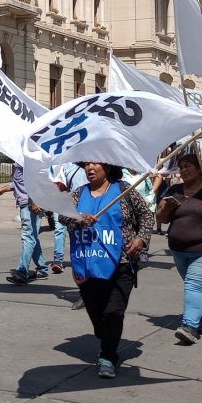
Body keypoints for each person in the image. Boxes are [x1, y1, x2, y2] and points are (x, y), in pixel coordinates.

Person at [60, 162, 153, 378]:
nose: (90, 168)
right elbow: (63, 216)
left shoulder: (124, 190)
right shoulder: (79, 194)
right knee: (97, 312)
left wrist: (141, 239)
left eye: (95, 164)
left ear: (108, 167)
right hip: (89, 263)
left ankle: (107, 356)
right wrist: (79, 218)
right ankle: (107, 337)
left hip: (121, 262)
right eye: (87, 164)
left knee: (113, 312)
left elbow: (147, 216)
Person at [156, 153, 202, 344]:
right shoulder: (174, 189)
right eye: (181, 167)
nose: (184, 170)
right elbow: (161, 219)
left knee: (193, 283)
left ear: (199, 168)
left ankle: (190, 327)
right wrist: (168, 208)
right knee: (196, 285)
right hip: (179, 251)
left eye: (188, 166)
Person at [0, 163, 49, 284]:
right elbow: (21, 183)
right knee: (32, 236)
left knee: (28, 237)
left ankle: (22, 272)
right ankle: (42, 269)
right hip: (27, 202)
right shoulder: (17, 160)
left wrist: (34, 201)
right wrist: (5, 188)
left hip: (30, 204)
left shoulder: (25, 159)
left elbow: (34, 179)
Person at [50, 162, 88, 275]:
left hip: (79, 203)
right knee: (62, 230)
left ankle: (78, 258)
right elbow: (58, 184)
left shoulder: (87, 166)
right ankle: (59, 260)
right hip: (66, 202)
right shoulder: (65, 165)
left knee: (71, 231)